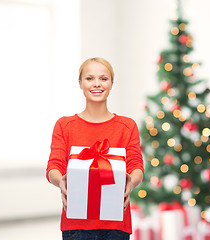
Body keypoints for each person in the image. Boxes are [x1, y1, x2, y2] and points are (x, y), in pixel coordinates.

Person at [46, 57, 144, 240]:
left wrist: (131, 182)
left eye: (103, 78)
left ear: (112, 83)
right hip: (76, 223)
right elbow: (54, 165)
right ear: (80, 83)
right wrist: (61, 182)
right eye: (89, 78)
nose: (97, 84)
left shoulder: (127, 126)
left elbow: (136, 164)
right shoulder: (64, 126)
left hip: (116, 224)